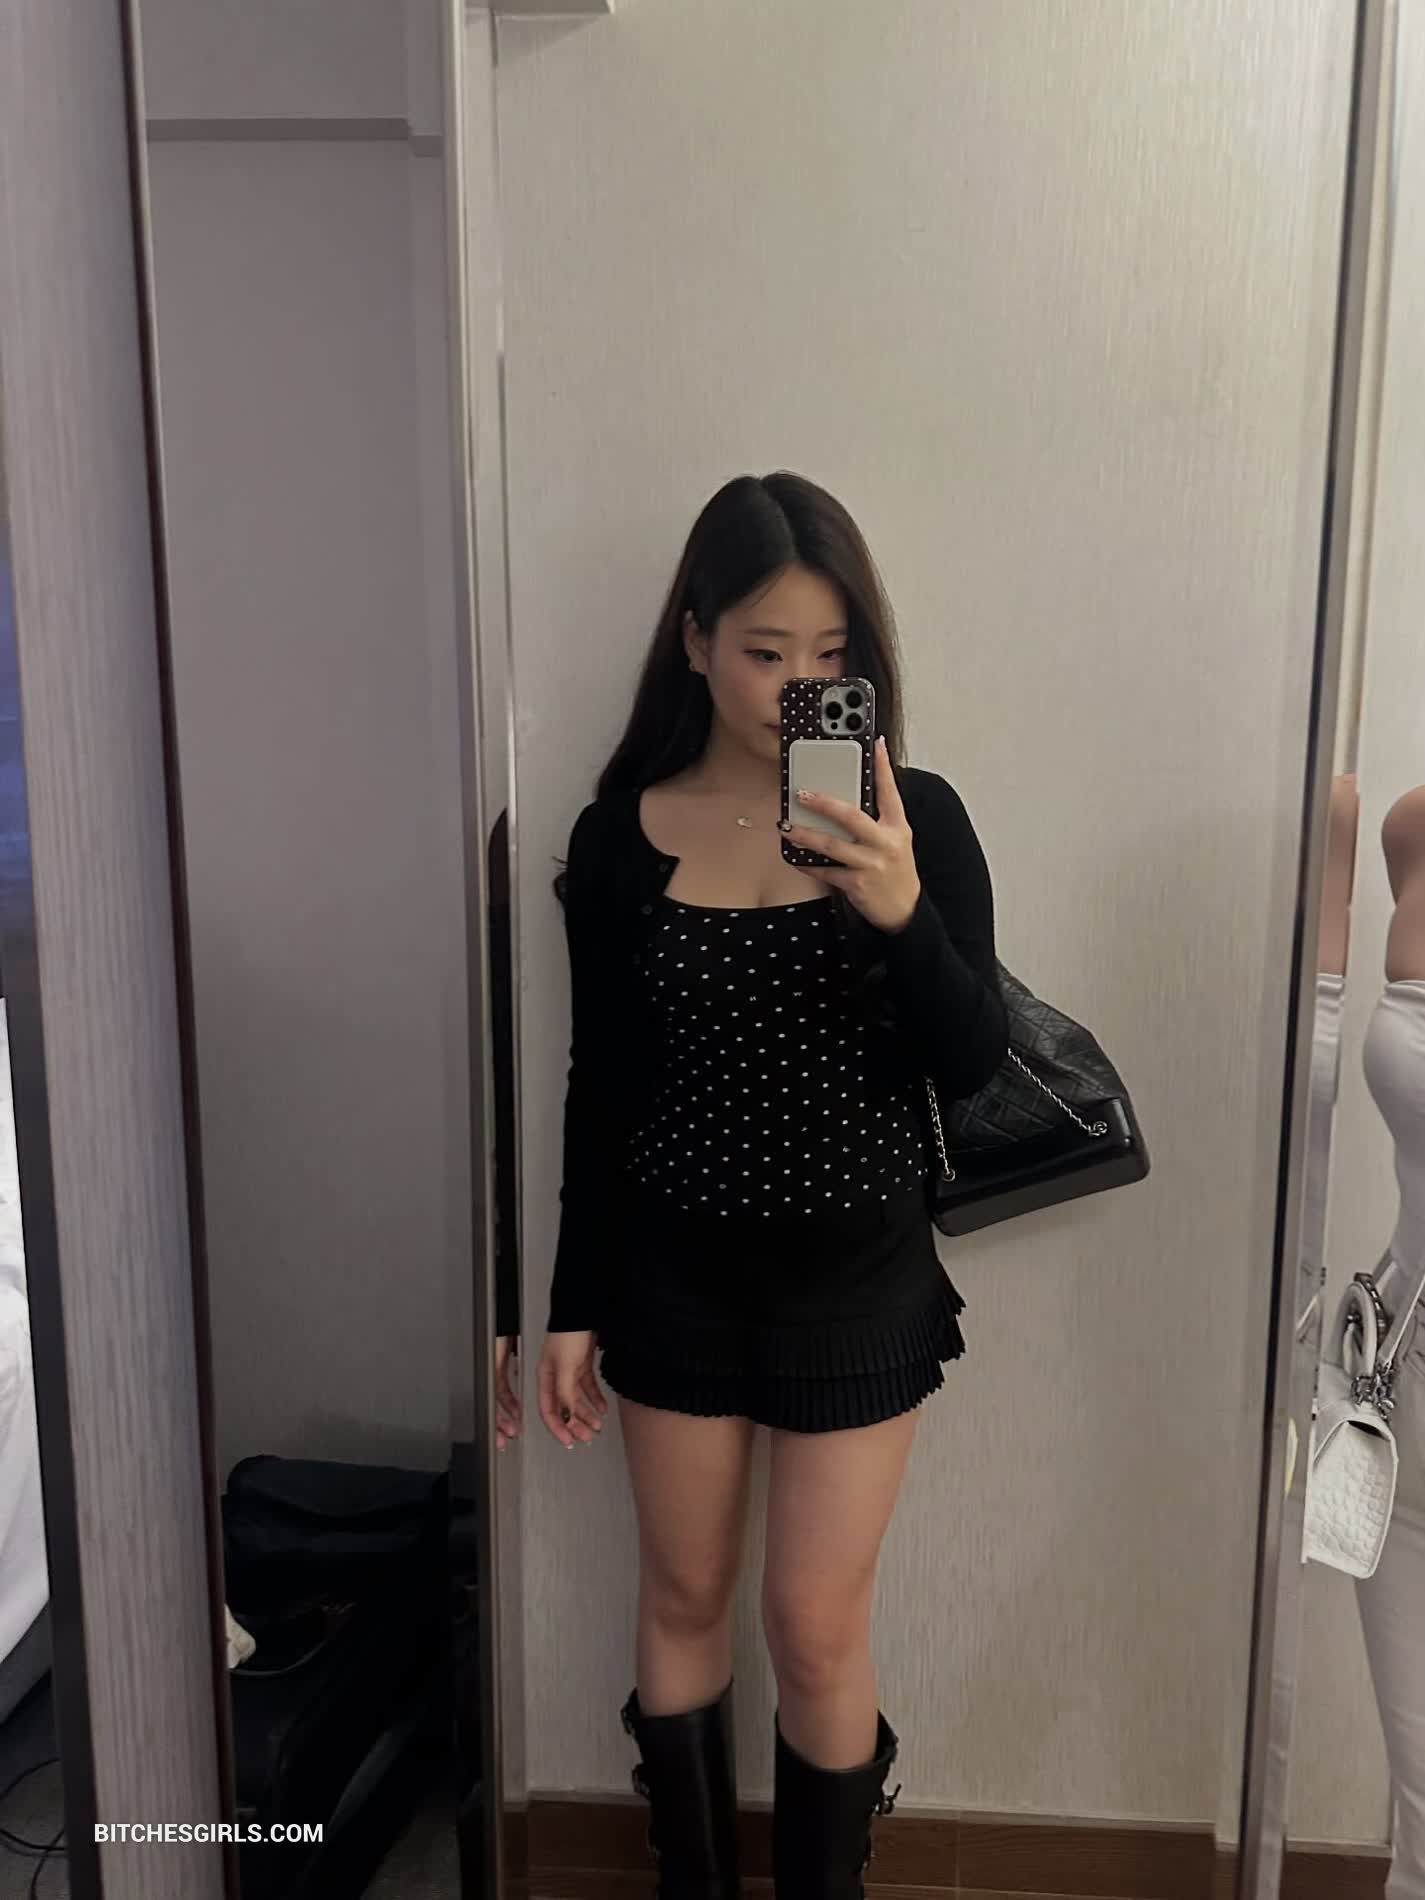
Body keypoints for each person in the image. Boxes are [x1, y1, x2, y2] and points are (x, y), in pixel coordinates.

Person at [528, 471, 1007, 1897]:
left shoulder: (913, 818)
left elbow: (972, 1063)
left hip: (857, 1286)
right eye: (764, 651)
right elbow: (601, 1089)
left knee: (811, 1622)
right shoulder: (619, 838)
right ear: (693, 641)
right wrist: (570, 1303)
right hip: (673, 1280)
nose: (799, 687)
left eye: (831, 656)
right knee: (682, 1595)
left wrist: (900, 909)